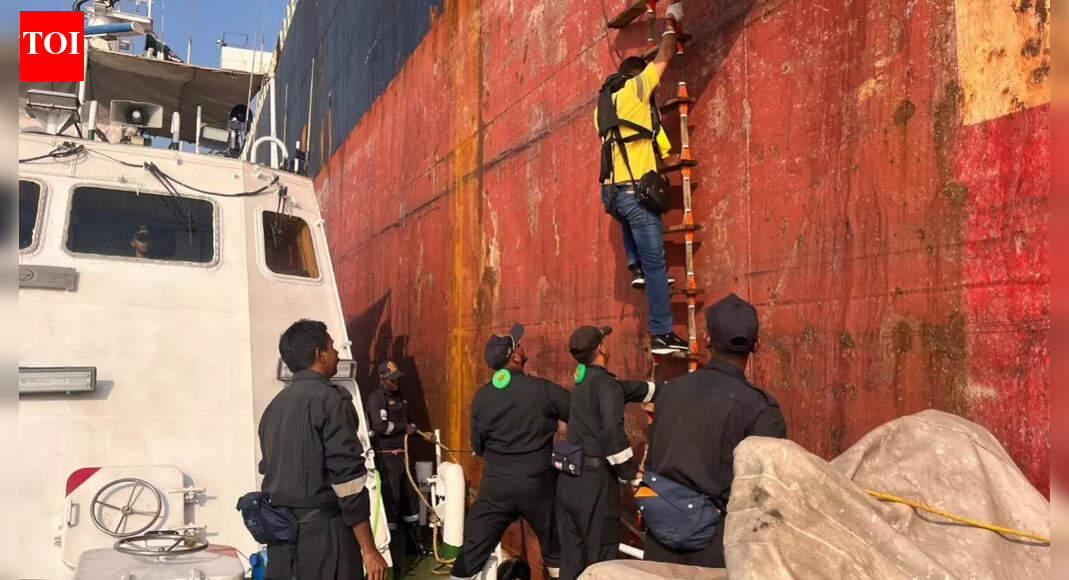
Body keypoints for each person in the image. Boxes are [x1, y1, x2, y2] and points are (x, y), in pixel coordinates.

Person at [643, 294, 787, 568]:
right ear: (756, 344)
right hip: (716, 544)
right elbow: (768, 493)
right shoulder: (760, 408)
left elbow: (653, 460)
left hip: (660, 532)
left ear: (707, 338)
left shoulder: (670, 391)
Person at [258, 319, 388, 580]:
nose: (337, 353)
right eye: (331, 346)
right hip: (324, 540)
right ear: (320, 354)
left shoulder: (274, 407)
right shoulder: (331, 401)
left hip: (282, 541)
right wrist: (369, 549)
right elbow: (348, 481)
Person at [595, 0, 688, 355]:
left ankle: (632, 262)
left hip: (611, 195)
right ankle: (663, 334)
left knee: (630, 228)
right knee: (657, 268)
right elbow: (664, 55)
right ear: (635, 77)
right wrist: (670, 22)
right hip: (635, 195)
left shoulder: (602, 109)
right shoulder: (637, 88)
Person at [450, 324, 570, 580]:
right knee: (556, 548)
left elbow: (478, 447)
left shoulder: (482, 397)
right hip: (538, 485)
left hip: (496, 488)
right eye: (518, 345)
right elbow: (578, 414)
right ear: (515, 356)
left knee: (471, 552)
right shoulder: (543, 390)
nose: (521, 347)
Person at [556, 325, 657, 580]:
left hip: (568, 482)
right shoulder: (605, 385)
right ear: (601, 348)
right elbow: (612, 431)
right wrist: (631, 473)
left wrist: (656, 389)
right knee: (604, 562)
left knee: (571, 560)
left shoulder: (582, 383)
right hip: (594, 486)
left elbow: (621, 389)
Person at [366, 360, 424, 554]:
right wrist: (403, 429)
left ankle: (415, 543)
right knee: (393, 500)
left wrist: (414, 428)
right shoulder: (376, 399)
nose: (396, 383)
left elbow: (408, 420)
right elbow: (380, 427)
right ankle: (391, 550)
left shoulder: (401, 397)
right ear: (382, 380)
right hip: (388, 458)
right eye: (392, 380)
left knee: (411, 497)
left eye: (397, 379)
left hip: (405, 455)